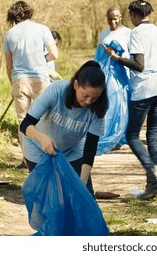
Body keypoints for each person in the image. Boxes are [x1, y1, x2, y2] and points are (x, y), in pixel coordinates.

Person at [103, 0, 157, 200]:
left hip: (144, 88)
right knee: (153, 134)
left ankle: (155, 179)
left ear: (133, 15)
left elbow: (139, 65)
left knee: (132, 135)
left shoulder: (136, 33)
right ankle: (152, 184)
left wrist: (115, 57)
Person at [19, 60, 108, 197]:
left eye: (94, 98)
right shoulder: (56, 91)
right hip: (37, 146)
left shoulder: (98, 109)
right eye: (85, 96)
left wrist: (82, 181)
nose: (89, 101)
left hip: (72, 150)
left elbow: (90, 147)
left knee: (84, 196)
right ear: (76, 84)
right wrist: (43, 139)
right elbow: (26, 124)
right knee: (47, 196)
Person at [3, 1, 59, 169]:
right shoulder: (42, 29)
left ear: (13, 16)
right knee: (46, 118)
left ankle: (27, 160)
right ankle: (49, 152)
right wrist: (41, 62)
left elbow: (9, 65)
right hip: (41, 79)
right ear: (29, 12)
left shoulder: (9, 35)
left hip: (19, 80)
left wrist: (12, 82)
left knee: (23, 121)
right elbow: (54, 54)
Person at [94, 6, 131, 153]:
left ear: (120, 17)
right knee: (109, 104)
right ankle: (110, 135)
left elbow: (131, 54)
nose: (113, 21)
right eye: (110, 18)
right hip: (107, 76)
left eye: (115, 17)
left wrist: (119, 55)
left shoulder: (128, 33)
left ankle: (121, 136)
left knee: (122, 105)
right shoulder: (103, 34)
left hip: (122, 74)